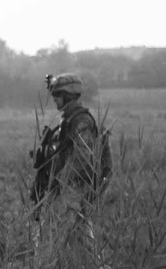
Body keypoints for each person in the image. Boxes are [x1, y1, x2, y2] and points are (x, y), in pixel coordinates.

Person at [29, 71, 108, 209]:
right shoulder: (68, 120)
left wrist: (59, 181)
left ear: (69, 95)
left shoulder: (81, 121)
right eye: (53, 94)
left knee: (71, 226)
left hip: (76, 188)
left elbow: (81, 157)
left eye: (58, 94)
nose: (54, 98)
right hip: (67, 187)